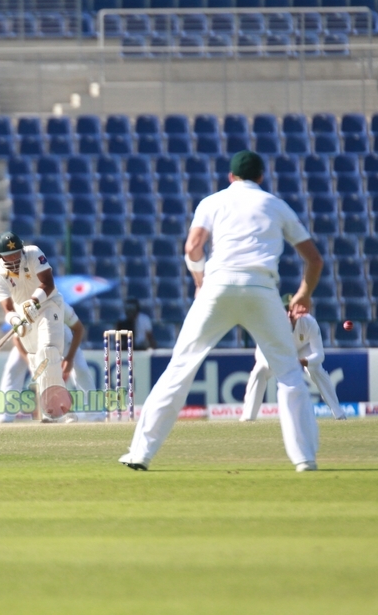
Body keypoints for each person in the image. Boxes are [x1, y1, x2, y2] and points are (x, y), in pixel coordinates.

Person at [118, 150, 324, 473]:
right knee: (288, 373)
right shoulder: (276, 205)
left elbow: (192, 247)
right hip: (261, 290)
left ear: (230, 177)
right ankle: (304, 459)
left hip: (217, 287)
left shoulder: (211, 202)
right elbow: (314, 259)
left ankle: (140, 453)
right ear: (261, 177)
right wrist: (303, 294)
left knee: (179, 368)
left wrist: (200, 281)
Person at [0, 231, 72, 420]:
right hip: (24, 315)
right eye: (9, 255)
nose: (14, 258)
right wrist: (13, 320)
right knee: (28, 364)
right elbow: (8, 308)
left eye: (17, 253)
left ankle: (54, 412)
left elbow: (48, 283)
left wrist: (33, 301)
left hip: (48, 305)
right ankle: (6, 415)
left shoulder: (33, 253)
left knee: (48, 352)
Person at [241, 299, 346, 421]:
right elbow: (261, 352)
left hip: (302, 349)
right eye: (286, 310)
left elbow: (319, 354)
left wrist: (304, 361)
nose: (289, 314)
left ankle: (339, 414)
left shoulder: (310, 322)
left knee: (316, 369)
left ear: (299, 311)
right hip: (276, 353)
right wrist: (273, 363)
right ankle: (248, 417)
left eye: (292, 310)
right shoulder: (270, 323)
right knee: (260, 370)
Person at [0, 301, 95, 423]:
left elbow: (79, 329)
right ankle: (4, 416)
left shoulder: (59, 305)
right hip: (31, 344)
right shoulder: (25, 309)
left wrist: (69, 358)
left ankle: (93, 415)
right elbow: (17, 339)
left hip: (62, 341)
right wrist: (29, 361)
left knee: (81, 369)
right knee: (13, 366)